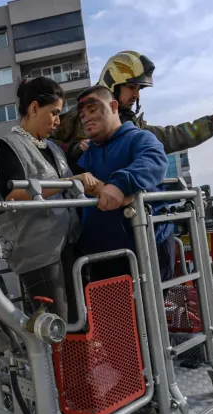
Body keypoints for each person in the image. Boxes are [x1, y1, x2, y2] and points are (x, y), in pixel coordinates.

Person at [0, 76, 100, 414]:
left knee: (77, 326)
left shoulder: (52, 149)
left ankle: (80, 404)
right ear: (33, 108)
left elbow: (66, 180)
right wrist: (72, 184)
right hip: (38, 257)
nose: (57, 120)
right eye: (52, 112)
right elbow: (13, 190)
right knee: (55, 333)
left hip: (66, 245)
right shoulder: (6, 146)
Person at [52, 50, 213, 170]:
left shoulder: (134, 128)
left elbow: (174, 136)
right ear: (113, 84)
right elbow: (39, 143)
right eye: (132, 87)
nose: (136, 95)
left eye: (139, 89)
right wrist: (72, 150)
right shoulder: (76, 119)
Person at [74, 84, 174, 282]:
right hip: (101, 258)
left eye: (92, 109)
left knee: (147, 311)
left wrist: (120, 184)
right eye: (82, 114)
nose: (86, 117)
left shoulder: (139, 138)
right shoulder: (87, 156)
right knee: (112, 313)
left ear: (113, 106)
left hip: (145, 251)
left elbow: (154, 160)